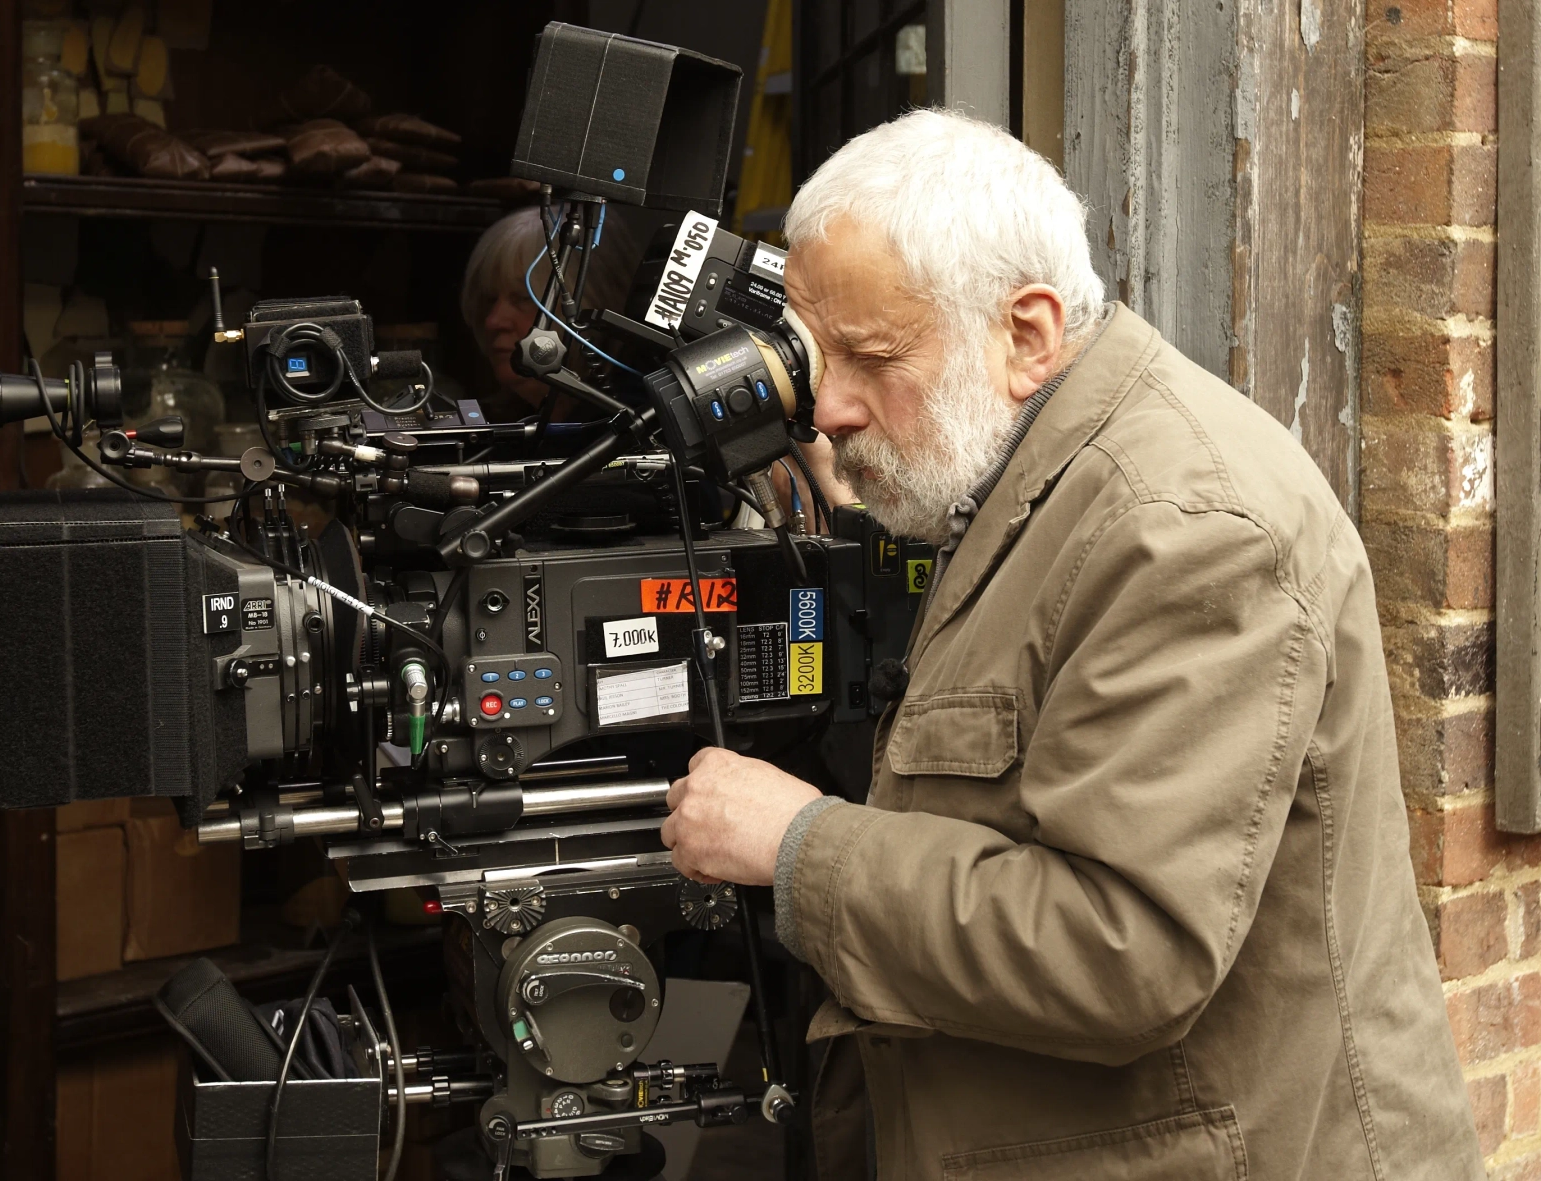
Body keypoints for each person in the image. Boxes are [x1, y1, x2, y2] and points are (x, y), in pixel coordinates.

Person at [660, 109, 1481, 1178]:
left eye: (870, 356)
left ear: (1030, 332)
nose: (830, 408)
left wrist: (799, 845)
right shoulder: (1028, 465)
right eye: (822, 357)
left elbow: (1123, 947)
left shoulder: (1185, 529)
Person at [459, 205, 639, 423]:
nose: (493, 321)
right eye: (489, 299)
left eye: (525, 298)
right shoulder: (502, 425)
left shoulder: (643, 424)